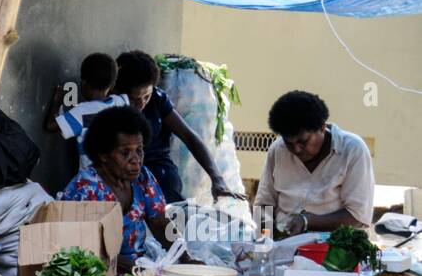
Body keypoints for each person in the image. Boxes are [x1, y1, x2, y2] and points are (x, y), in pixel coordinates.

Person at [114, 50, 241, 204]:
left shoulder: (158, 100)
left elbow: (190, 137)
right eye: (135, 99)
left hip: (161, 177)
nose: (141, 103)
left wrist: (217, 179)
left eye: (146, 96)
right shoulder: (111, 108)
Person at [59, 105, 175, 268]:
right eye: (125, 153)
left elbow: (160, 224)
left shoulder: (142, 178)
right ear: (103, 155)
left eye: (139, 150)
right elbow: (83, 248)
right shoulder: (85, 188)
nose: (136, 160)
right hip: (96, 274)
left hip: (139, 269)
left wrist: (186, 258)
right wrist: (135, 269)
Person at [255, 90, 375, 236]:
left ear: (322, 127)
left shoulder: (353, 149)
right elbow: (264, 204)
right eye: (289, 143)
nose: (296, 149)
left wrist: (307, 221)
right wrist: (265, 240)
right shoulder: (277, 149)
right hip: (282, 243)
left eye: (303, 141)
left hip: (334, 247)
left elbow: (358, 216)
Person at [42, 52, 128, 178]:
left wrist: (57, 102)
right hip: (117, 174)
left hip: (91, 180)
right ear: (112, 85)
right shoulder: (120, 102)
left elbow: (50, 126)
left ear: (83, 83)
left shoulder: (81, 113)